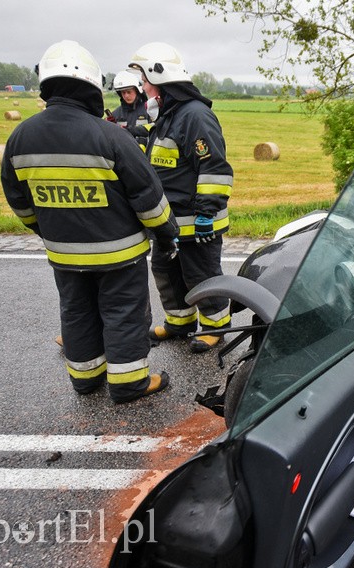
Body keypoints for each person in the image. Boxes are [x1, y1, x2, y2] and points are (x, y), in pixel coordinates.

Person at [1, 40, 179, 404]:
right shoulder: (110, 136)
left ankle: (86, 379)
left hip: (64, 255)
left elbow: (18, 200)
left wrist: (47, 228)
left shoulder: (20, 137)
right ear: (91, 87)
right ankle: (129, 384)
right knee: (123, 313)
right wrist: (166, 234)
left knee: (77, 311)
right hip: (119, 255)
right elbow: (148, 197)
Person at [128, 42, 234, 353]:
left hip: (197, 220)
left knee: (200, 274)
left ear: (160, 79)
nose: (143, 87)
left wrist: (206, 214)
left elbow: (214, 168)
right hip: (170, 221)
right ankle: (180, 322)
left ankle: (216, 325)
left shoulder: (195, 116)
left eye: (145, 80)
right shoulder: (169, 114)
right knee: (165, 271)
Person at [109, 70, 152, 148]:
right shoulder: (115, 114)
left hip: (145, 157)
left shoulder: (150, 110)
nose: (126, 96)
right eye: (123, 93)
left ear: (137, 91)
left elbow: (155, 131)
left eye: (129, 92)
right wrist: (108, 125)